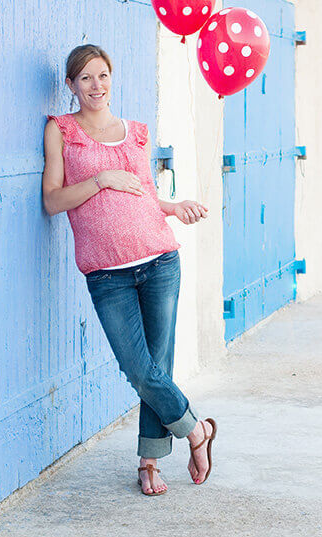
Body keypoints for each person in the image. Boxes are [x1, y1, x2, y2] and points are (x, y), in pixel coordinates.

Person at [41, 44, 216, 496]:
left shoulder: (137, 133)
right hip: (107, 273)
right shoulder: (61, 131)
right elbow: (52, 200)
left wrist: (174, 208)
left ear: (111, 78)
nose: (95, 86)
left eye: (102, 76)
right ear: (71, 85)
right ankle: (196, 430)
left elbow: (141, 196)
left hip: (159, 259)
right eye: (85, 79)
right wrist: (100, 179)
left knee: (159, 364)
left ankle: (150, 463)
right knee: (138, 368)